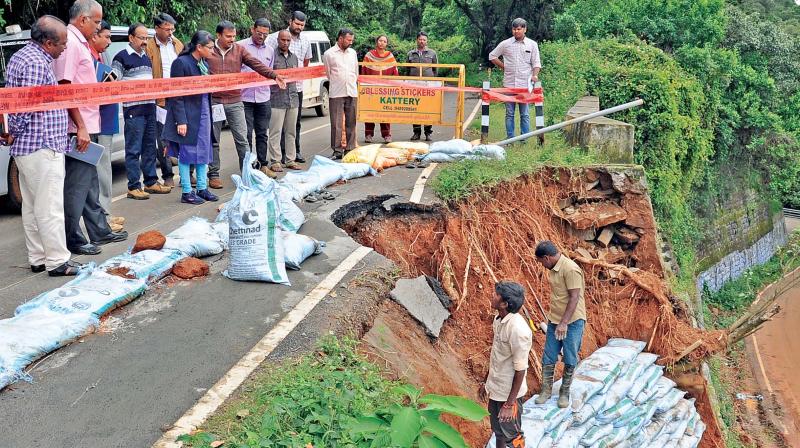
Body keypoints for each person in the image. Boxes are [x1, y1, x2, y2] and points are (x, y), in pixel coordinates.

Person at [2, 16, 82, 276]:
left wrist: (12, 133)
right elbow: (28, 106)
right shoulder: (37, 62)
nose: (65, 48)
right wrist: (12, 132)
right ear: (48, 43)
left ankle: (38, 257)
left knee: (33, 206)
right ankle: (58, 261)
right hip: (41, 144)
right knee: (49, 207)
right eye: (62, 43)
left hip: (30, 148)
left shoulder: (22, 56)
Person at [54, 0, 127, 256]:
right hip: (78, 128)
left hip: (88, 123)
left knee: (91, 181)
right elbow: (66, 87)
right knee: (77, 185)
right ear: (83, 19)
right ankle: (73, 237)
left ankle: (98, 229)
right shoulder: (70, 43)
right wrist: (81, 126)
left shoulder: (80, 43)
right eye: (96, 22)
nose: (98, 28)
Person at [206, 20, 286, 189]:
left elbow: (256, 64)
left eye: (234, 36)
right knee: (213, 140)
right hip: (214, 102)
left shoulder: (239, 50)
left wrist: (273, 75)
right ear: (218, 35)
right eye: (228, 36)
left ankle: (247, 172)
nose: (232, 39)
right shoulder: (208, 51)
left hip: (235, 101)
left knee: (242, 139)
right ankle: (213, 174)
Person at [112, 23, 172, 200]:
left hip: (149, 108)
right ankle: (133, 186)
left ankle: (151, 181)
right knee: (133, 149)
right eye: (142, 38)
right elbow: (113, 83)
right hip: (133, 110)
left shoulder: (146, 57)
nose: (145, 42)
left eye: (147, 38)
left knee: (149, 148)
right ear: (131, 38)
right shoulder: (121, 57)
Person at [162, 31, 217, 205]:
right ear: (199, 47)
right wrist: (181, 120)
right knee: (186, 153)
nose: (212, 51)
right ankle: (187, 190)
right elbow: (176, 95)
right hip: (187, 114)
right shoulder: (181, 63)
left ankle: (202, 188)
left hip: (203, 112)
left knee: (204, 150)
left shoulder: (203, 64)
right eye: (209, 47)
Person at [533, 240, 587, 408]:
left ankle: (564, 392)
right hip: (555, 319)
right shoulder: (554, 268)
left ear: (547, 258)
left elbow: (574, 297)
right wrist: (556, 321)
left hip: (572, 322)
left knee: (570, 356)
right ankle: (546, 390)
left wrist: (564, 323)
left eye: (541, 262)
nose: (542, 265)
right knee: (549, 355)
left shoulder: (570, 269)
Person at [479, 281, 532, 448]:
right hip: (497, 388)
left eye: (496, 295)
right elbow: (497, 357)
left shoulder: (518, 330)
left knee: (513, 436)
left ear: (505, 303)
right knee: (498, 430)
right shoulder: (499, 320)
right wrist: (486, 383)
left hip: (510, 395)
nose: (492, 296)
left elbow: (520, 369)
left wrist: (509, 404)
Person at [90, 19, 124, 232]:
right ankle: (103, 218)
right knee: (101, 171)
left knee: (105, 169)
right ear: (94, 36)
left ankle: (106, 213)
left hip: (108, 119)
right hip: (98, 122)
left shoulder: (102, 56)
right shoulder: (89, 60)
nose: (110, 41)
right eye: (107, 37)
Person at [266, 11, 312, 164]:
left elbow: (305, 65)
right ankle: (276, 160)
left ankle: (292, 156)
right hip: (276, 94)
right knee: (276, 129)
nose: (299, 27)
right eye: (297, 23)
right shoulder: (272, 40)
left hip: (295, 91)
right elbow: (266, 66)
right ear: (290, 21)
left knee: (293, 127)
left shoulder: (303, 43)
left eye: (302, 25)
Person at [145, 12, 183, 188]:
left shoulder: (178, 44)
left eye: (172, 29)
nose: (170, 32)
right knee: (162, 138)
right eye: (167, 29)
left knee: (183, 133)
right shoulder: (149, 46)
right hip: (160, 98)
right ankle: (168, 174)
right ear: (157, 29)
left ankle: (186, 173)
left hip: (179, 96)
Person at [489, 18, 542, 140]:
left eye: (519, 29)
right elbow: (492, 56)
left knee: (525, 114)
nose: (516, 31)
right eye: (514, 29)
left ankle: (524, 139)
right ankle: (510, 138)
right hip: (509, 84)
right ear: (511, 30)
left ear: (524, 29)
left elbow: (536, 63)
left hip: (525, 85)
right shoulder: (506, 44)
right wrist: (503, 66)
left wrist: (535, 75)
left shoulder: (532, 45)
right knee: (509, 113)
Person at [238, 18, 274, 175]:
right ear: (252, 29)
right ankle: (249, 167)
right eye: (259, 33)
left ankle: (263, 164)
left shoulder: (270, 50)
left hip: (263, 96)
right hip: (244, 98)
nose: (262, 36)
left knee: (262, 132)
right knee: (246, 134)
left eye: (265, 34)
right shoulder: (240, 47)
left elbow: (269, 71)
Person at [268, 30, 302, 174]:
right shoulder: (272, 56)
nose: (286, 43)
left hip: (293, 98)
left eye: (288, 40)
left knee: (291, 132)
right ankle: (275, 160)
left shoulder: (294, 58)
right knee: (275, 132)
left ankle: (290, 160)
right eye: (283, 40)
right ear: (278, 40)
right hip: (276, 99)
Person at [323, 28, 358, 160]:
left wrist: (352, 83)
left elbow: (355, 71)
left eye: (352, 40)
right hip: (336, 92)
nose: (351, 42)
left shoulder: (352, 53)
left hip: (352, 91)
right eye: (349, 40)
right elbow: (328, 73)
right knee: (336, 123)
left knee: (351, 122)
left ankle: (350, 148)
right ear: (341, 38)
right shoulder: (329, 54)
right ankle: (337, 150)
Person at [361, 35, 398, 143]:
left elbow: (395, 72)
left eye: (384, 41)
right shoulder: (369, 56)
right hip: (371, 89)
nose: (382, 43)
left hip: (385, 89)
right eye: (380, 41)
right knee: (369, 111)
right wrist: (364, 86)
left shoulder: (390, 56)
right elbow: (364, 71)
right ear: (376, 42)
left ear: (387, 44)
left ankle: (387, 135)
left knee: (385, 112)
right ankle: (368, 134)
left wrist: (393, 86)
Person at [407, 31, 438, 141]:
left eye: (424, 39)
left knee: (428, 108)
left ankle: (428, 133)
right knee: (415, 108)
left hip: (428, 85)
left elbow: (435, 69)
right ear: (417, 40)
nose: (422, 41)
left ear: (427, 41)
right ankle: (416, 132)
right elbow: (407, 69)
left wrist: (433, 82)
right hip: (414, 85)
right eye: (420, 39)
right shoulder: (411, 53)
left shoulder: (432, 53)